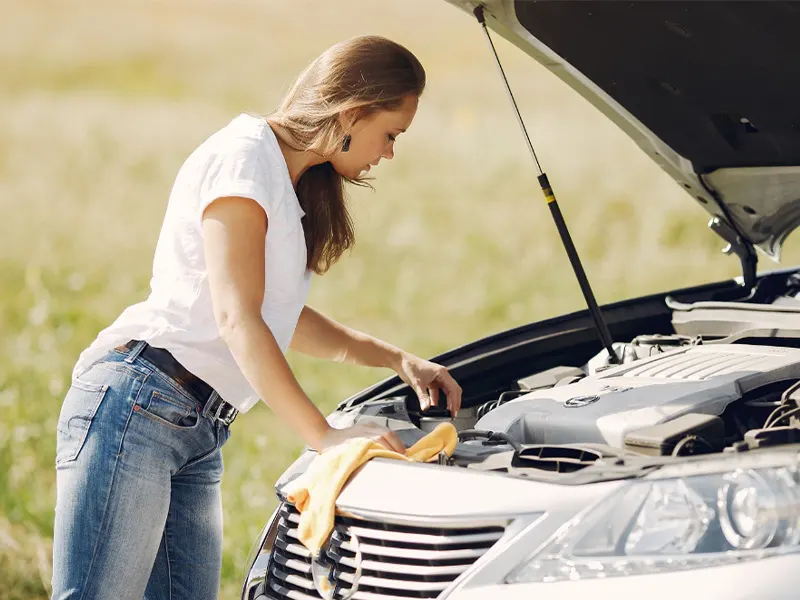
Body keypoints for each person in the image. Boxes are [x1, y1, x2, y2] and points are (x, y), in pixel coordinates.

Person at [51, 35, 462, 600]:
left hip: (198, 430)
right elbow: (237, 317)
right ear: (353, 111)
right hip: (138, 407)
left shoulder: (291, 184)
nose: (389, 153)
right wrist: (325, 437)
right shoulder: (243, 158)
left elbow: (279, 316)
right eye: (391, 134)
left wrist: (399, 360)